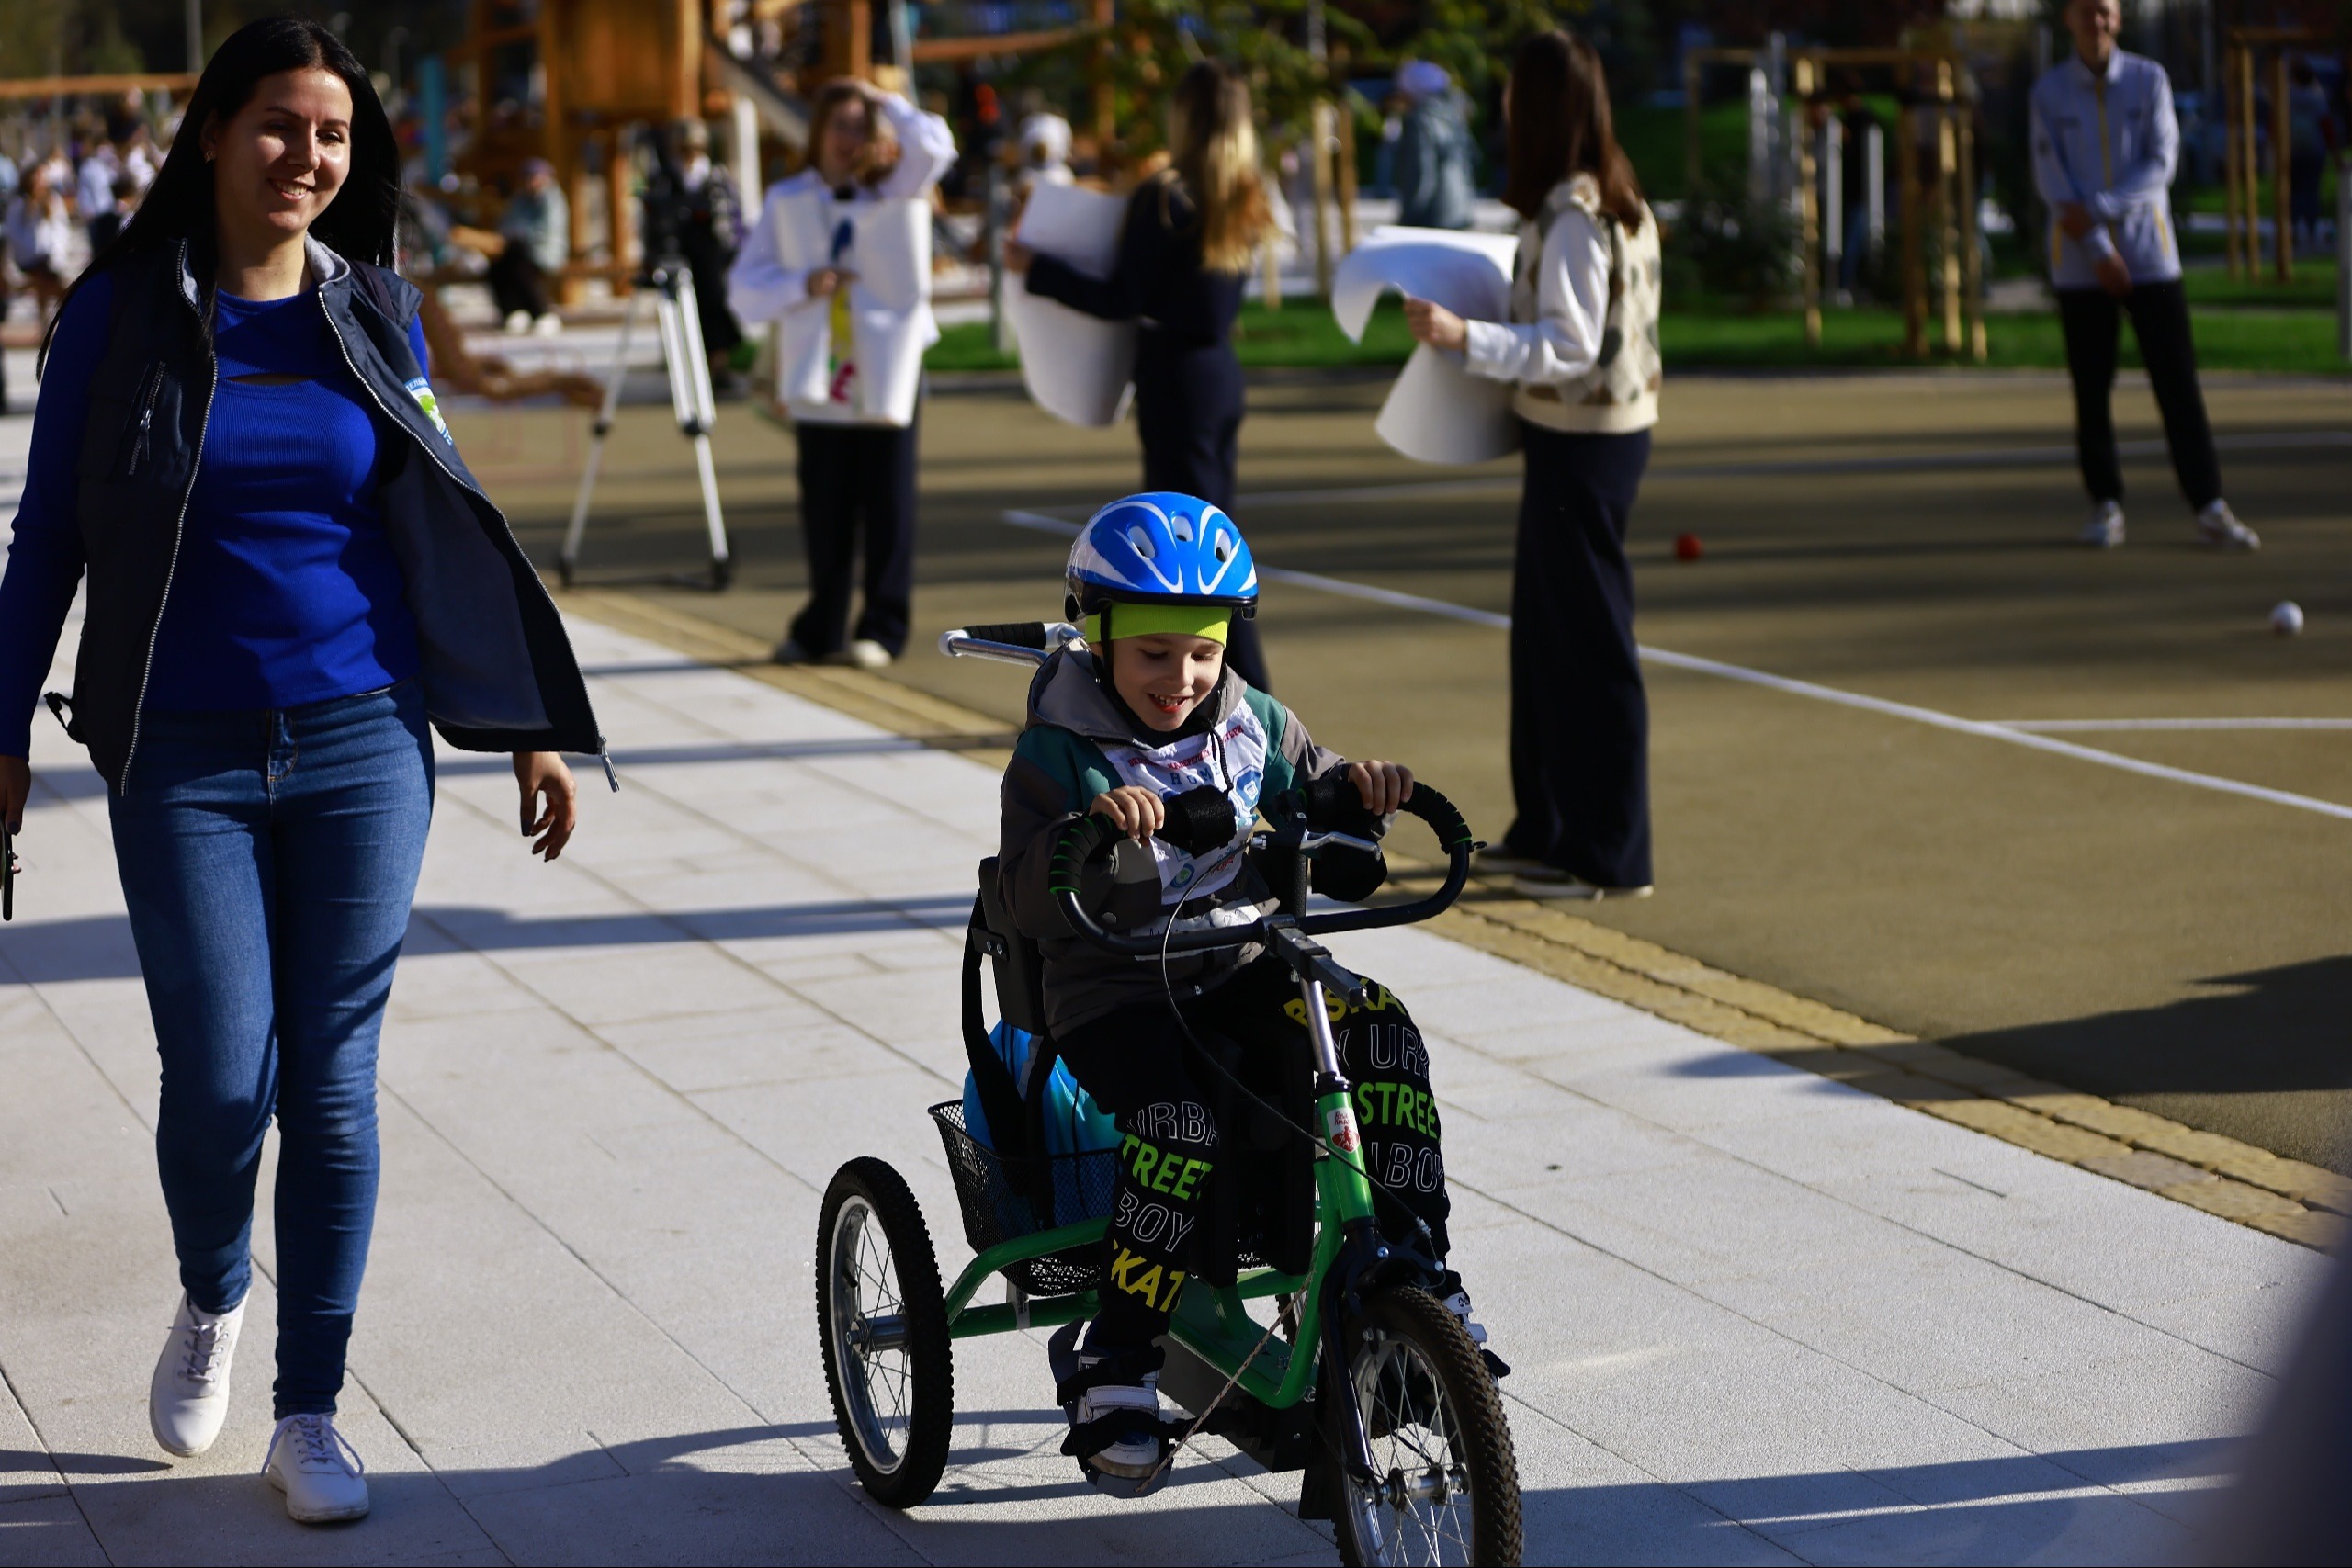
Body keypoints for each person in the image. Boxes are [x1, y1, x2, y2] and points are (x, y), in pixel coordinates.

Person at [0, 17, 604, 1526]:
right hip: (179, 751)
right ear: (212, 133)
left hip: (360, 741)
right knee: (218, 1078)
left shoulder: (370, 312)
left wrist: (528, 719)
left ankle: (309, 1408)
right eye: (280, 125)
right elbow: (43, 547)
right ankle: (215, 1292)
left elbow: (441, 513)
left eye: (331, 135)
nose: (308, 158)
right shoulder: (116, 314)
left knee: (332, 1084)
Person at [996, 492, 1498, 1481]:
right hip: (1113, 988)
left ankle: (1419, 1274)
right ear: (1096, 639)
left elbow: (1316, 792)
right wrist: (1091, 834)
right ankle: (1118, 1356)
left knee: (1377, 1029)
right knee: (1179, 1127)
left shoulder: (1249, 718)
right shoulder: (1058, 749)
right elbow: (1023, 888)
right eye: (1150, 654)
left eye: (1201, 651)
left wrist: (1363, 789)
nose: (1178, 679)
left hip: (1238, 962)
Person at [1405, 29, 1662, 902]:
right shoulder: (1590, 197)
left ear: (1545, 106)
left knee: (1587, 647)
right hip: (1583, 439)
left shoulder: (1576, 212)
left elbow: (1570, 344)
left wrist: (1461, 337)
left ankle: (1608, 853)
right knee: (1548, 639)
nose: (1505, 106)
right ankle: (1547, 827)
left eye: (1516, 92)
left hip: (1588, 443)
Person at [1006, 61, 1277, 694]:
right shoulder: (1243, 191)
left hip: (1176, 381)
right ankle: (1237, 689)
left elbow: (1122, 295)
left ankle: (1249, 698)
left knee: (1188, 563)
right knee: (1213, 552)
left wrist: (1036, 267)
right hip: (1218, 374)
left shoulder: (1168, 194)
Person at [728, 76, 956, 670]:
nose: (851, 139)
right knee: (825, 504)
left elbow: (936, 147)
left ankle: (882, 625)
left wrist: (889, 102)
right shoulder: (789, 198)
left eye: (863, 126)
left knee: (888, 502)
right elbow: (743, 287)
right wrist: (800, 285)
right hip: (819, 372)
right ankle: (820, 624)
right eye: (841, 125)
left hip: (887, 367)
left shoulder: (894, 188)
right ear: (818, 131)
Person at [2031, 0, 2257, 553]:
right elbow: (2052, 180)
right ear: (2068, 20)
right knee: (2091, 386)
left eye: (2106, 11)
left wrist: (2105, 211)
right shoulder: (2049, 93)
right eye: (2086, 12)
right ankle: (2105, 504)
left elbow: (2161, 163)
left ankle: (2208, 505)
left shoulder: (2148, 79)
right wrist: (2098, 249)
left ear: (2119, 19)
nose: (2097, 21)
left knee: (2177, 383)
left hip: (2151, 257)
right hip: (2082, 264)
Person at [1392, 59, 1476, 231]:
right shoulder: (1453, 115)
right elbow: (1473, 159)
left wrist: (1406, 221)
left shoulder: (1419, 120)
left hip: (1432, 220)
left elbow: (1420, 173)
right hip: (1460, 213)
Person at [489, 155, 567, 334]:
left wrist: (519, 234)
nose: (531, 182)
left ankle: (542, 312)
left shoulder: (552, 200)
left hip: (546, 250)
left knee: (521, 267)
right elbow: (507, 223)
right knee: (498, 266)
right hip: (523, 250)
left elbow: (548, 229)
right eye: (528, 178)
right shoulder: (520, 199)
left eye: (535, 177)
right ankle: (513, 311)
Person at [6, 162, 74, 323]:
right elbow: (15, 235)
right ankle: (45, 322)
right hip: (29, 259)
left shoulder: (53, 202)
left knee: (51, 284)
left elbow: (61, 231)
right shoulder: (18, 206)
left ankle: (47, 322)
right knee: (44, 282)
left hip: (50, 258)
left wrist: (57, 255)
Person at [2286, 60, 2337, 254]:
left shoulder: (2289, 96)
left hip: (2293, 150)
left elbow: (2276, 122)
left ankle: (2293, 230)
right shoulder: (2317, 97)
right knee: (2311, 191)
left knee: (2294, 191)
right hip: (2314, 151)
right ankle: (2311, 229)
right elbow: (2326, 125)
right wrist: (2334, 152)